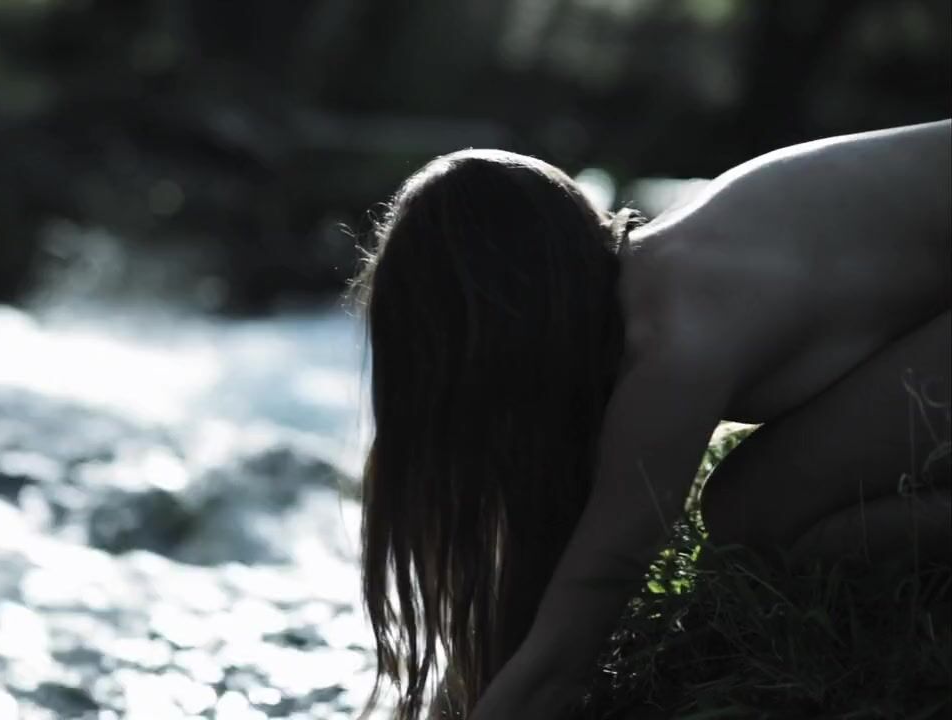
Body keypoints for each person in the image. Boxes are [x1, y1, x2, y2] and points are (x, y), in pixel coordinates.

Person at [352, 120, 951, 720]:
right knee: (749, 505)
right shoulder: (661, 272)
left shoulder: (672, 338)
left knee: (761, 517)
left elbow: (587, 606)